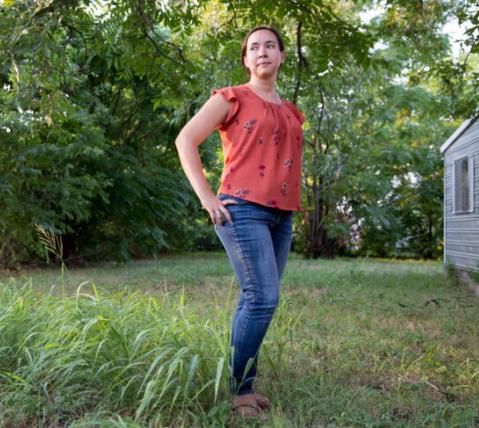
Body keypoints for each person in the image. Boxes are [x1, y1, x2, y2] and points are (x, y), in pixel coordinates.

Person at [174, 26, 305, 418]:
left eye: (270, 46)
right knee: (263, 298)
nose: (262, 52)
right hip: (241, 208)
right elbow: (185, 140)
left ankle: (242, 382)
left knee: (257, 299)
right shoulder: (231, 97)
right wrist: (206, 197)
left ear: (282, 56)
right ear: (246, 60)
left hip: (281, 215)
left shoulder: (292, 111)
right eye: (254, 47)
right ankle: (239, 393)